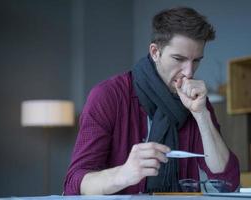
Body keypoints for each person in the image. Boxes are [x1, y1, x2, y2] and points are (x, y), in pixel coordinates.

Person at [64, 7, 240, 195]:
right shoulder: (107, 96)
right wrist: (123, 174)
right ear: (155, 52)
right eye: (178, 59)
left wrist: (202, 115)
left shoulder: (197, 102)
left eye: (196, 60)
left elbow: (228, 181)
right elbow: (74, 183)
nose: (189, 72)